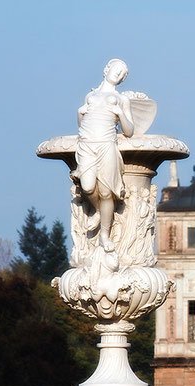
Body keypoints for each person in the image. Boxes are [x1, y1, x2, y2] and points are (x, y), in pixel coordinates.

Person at [71, 59, 135, 252]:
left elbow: (129, 130)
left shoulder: (121, 99)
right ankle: (98, 211)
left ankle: (105, 236)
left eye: (123, 73)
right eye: (117, 69)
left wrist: (120, 114)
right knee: (88, 187)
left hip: (107, 145)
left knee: (107, 192)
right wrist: (80, 113)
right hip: (87, 145)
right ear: (107, 69)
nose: (119, 74)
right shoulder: (90, 96)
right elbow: (81, 125)